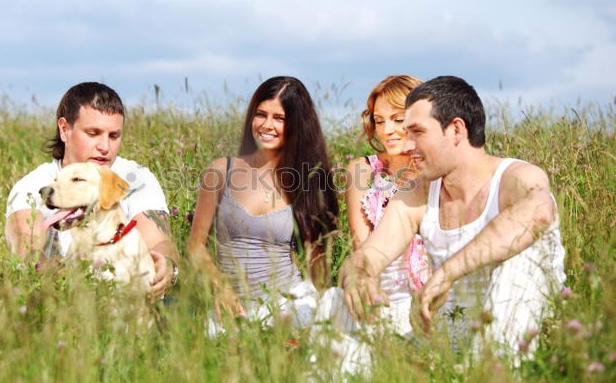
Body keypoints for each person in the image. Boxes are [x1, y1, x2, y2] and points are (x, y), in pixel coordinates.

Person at [340, 76, 565, 359]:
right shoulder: (419, 192)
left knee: (518, 263)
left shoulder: (514, 177)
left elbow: (540, 212)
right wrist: (359, 275)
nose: (407, 145)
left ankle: (495, 380)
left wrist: (447, 273)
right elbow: (369, 253)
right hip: (444, 330)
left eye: (417, 132)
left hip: (513, 328)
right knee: (339, 302)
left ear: (456, 129)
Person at [187, 76, 339, 332]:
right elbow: (195, 246)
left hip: (289, 305)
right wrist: (220, 287)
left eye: (279, 118)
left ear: (297, 125)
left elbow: (317, 264)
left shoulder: (309, 179)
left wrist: (323, 319)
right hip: (230, 308)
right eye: (261, 114)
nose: (267, 125)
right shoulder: (221, 170)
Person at [5, 82, 178, 296]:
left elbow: (159, 241)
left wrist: (166, 264)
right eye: (93, 133)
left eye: (114, 136)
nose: (104, 147)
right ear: (64, 129)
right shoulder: (32, 187)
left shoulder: (137, 178)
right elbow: (28, 250)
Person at [317, 75, 430, 339]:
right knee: (332, 304)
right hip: (378, 290)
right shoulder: (362, 169)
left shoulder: (434, 169)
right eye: (379, 121)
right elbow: (361, 246)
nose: (387, 130)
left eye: (398, 119)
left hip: (426, 295)